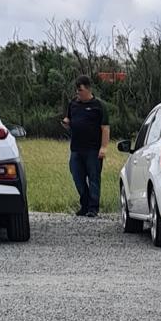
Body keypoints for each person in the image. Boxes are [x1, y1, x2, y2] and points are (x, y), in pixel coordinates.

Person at [61, 77, 110, 219]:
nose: (78, 93)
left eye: (80, 90)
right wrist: (66, 122)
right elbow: (69, 118)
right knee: (77, 177)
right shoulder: (73, 104)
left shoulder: (99, 105)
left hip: (93, 149)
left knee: (94, 178)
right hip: (76, 148)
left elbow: (105, 128)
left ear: (88, 89)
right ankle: (84, 204)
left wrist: (104, 147)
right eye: (76, 90)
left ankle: (93, 207)